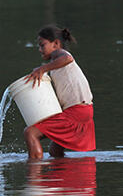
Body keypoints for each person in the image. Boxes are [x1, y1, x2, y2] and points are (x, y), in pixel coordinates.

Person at [23, 25, 95, 159]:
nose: (40, 49)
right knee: (54, 151)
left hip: (76, 111)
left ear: (56, 44)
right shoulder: (56, 65)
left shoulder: (59, 54)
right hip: (83, 109)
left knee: (30, 133)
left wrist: (42, 69)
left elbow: (67, 59)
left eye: (42, 45)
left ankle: (35, 174)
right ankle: (64, 176)